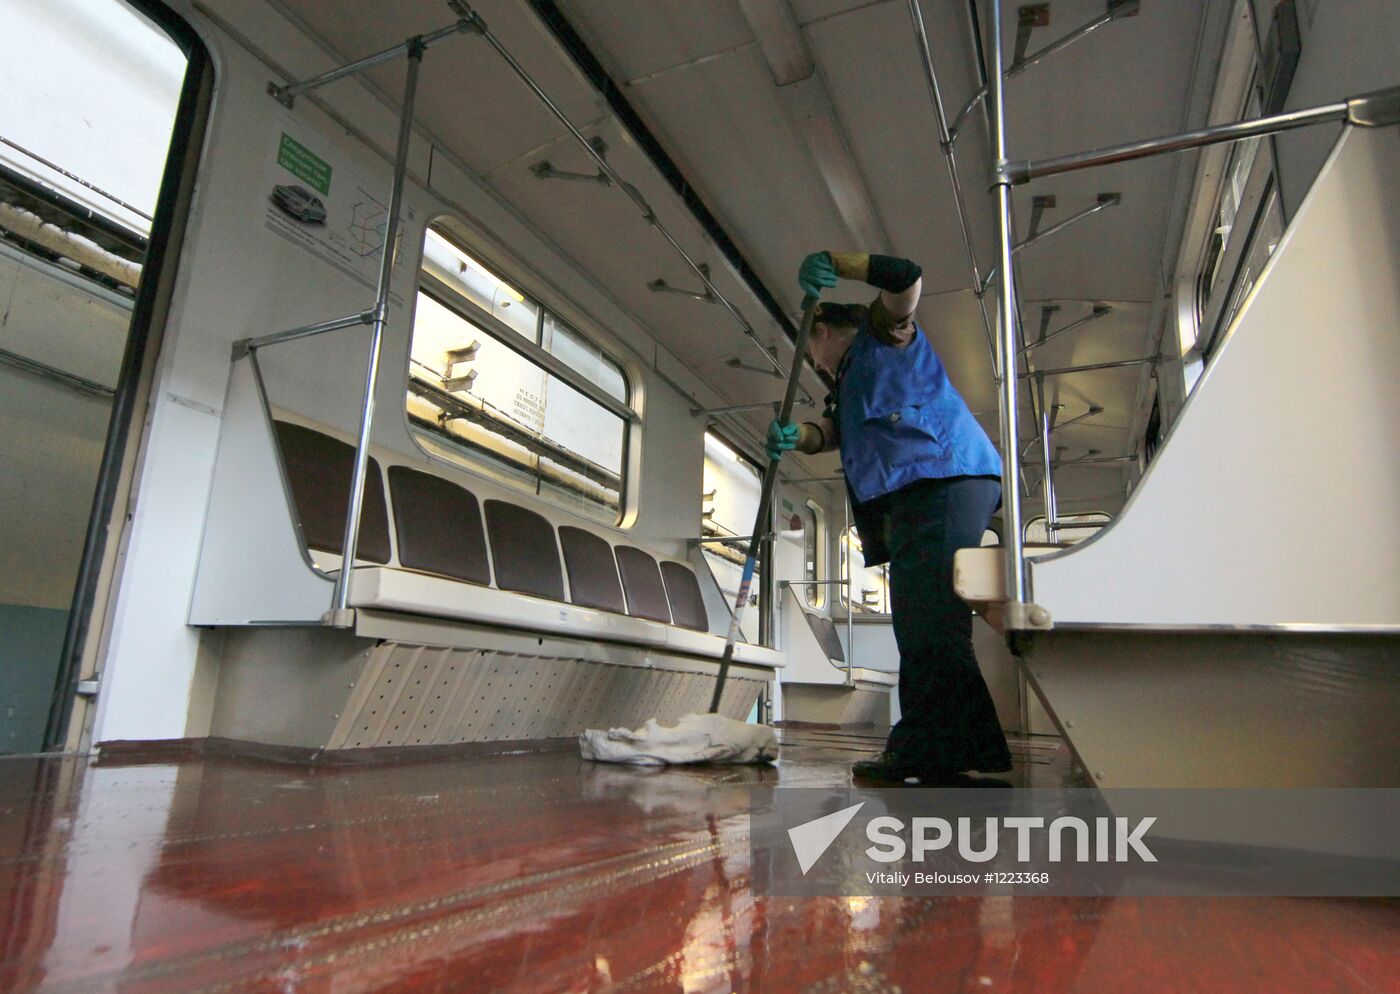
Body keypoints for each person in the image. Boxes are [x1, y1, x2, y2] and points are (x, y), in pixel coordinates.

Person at [768, 250, 1011, 785]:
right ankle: (969, 749)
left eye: (811, 344)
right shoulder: (848, 385)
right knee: (929, 621)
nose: (811, 358)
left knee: (927, 621)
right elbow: (830, 433)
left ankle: (926, 750)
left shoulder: (883, 336)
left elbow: (906, 278)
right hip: (920, 492)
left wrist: (839, 262)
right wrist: (799, 439)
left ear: (827, 330)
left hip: (941, 477)